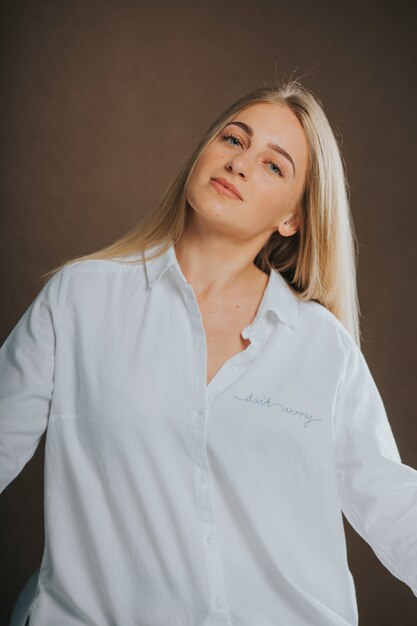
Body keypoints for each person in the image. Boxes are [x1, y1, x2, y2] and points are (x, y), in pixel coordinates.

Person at [1, 77, 416, 626]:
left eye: (274, 165)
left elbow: (392, 502)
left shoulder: (323, 348)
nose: (240, 163)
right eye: (233, 140)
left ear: (291, 218)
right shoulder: (80, 299)